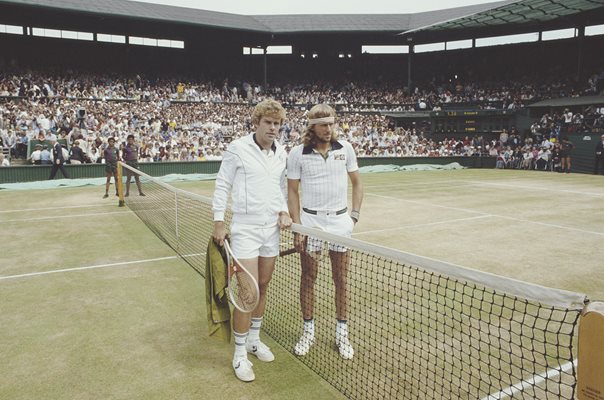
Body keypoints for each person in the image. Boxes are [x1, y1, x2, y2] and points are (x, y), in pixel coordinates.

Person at [211, 99, 292, 382]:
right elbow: (223, 183)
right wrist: (219, 220)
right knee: (247, 292)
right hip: (245, 228)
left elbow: (279, 188)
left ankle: (255, 341)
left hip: (272, 229)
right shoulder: (237, 148)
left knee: (263, 285)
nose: (273, 128)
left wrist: (284, 210)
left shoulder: (281, 152)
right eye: (268, 123)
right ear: (256, 123)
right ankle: (240, 354)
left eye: (277, 124)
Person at [287, 103, 364, 360]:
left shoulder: (347, 149)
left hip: (341, 223)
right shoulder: (298, 154)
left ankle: (342, 334)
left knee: (340, 279)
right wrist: (298, 227)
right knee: (308, 278)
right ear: (312, 126)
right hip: (310, 223)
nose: (329, 129)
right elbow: (292, 192)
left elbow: (357, 183)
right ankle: (308, 331)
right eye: (323, 124)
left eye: (331, 124)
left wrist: (353, 217)